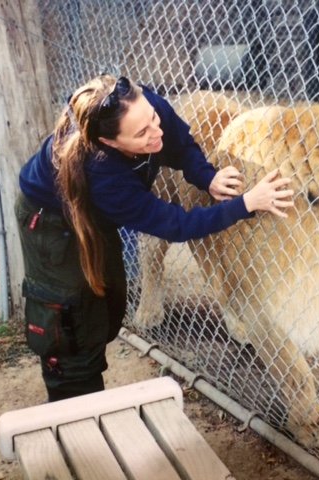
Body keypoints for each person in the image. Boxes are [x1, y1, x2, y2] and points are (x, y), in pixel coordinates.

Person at [15, 75, 293, 402]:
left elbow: (179, 143)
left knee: (107, 305)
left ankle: (88, 393)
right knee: (70, 328)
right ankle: (76, 415)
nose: (155, 131)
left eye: (153, 119)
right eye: (142, 133)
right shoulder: (104, 173)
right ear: (110, 142)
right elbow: (176, 225)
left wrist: (208, 177)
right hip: (51, 222)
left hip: (94, 214)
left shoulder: (142, 105)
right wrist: (246, 204)